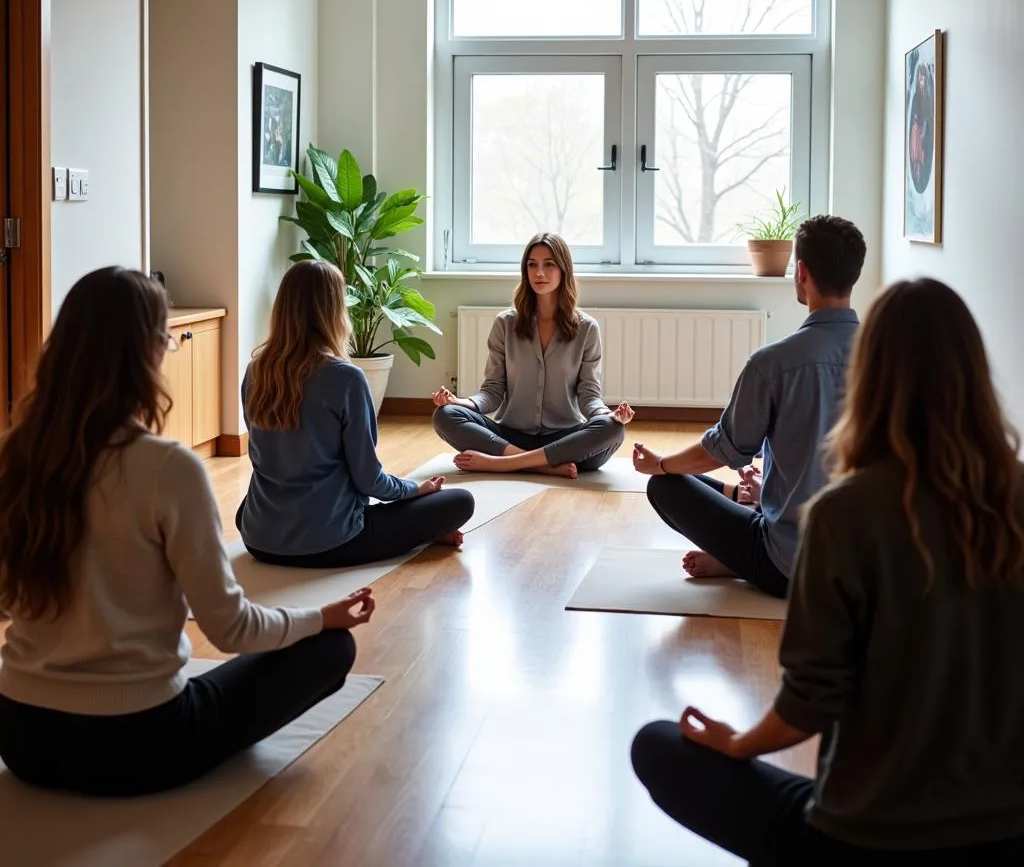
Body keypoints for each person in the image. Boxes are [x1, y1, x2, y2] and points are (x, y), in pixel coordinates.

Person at [631, 278, 1024, 865]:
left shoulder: (844, 513)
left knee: (657, 746)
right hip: (1008, 831)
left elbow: (810, 700)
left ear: (872, 375)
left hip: (862, 836)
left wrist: (738, 742)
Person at [0, 267, 374, 797]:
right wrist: (319, 618)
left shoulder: (12, 455)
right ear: (149, 353)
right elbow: (231, 628)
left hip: (20, 735)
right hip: (138, 742)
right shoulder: (167, 468)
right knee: (330, 649)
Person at [633, 215, 866, 597]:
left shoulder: (773, 363)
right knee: (750, 490)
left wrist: (661, 464)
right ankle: (753, 522)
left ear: (801, 271)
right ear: (854, 274)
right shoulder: (886, 358)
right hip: (862, 570)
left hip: (789, 568)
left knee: (667, 486)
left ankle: (741, 561)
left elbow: (724, 450)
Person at [238, 260, 474, 569]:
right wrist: (416, 489)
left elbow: (265, 454)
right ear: (335, 311)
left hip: (259, 540)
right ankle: (420, 532)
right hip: (330, 543)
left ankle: (417, 531)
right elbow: (368, 480)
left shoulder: (256, 370)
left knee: (257, 500)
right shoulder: (345, 378)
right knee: (460, 501)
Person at [432, 232, 633, 478]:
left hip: (564, 439)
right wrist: (462, 402)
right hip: (509, 436)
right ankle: (537, 465)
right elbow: (493, 391)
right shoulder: (505, 324)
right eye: (532, 265)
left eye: (549, 264)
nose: (539, 273)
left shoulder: (586, 328)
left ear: (564, 270)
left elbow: (589, 395)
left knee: (613, 429)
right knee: (445, 415)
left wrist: (607, 414)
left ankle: (504, 463)